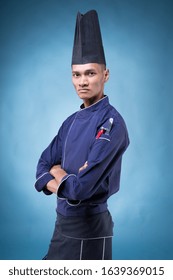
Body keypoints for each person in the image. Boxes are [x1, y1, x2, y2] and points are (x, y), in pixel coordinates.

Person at [35, 10, 129, 260]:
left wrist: (58, 172)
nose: (82, 82)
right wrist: (63, 177)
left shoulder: (111, 123)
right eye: (76, 74)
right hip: (61, 225)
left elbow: (80, 190)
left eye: (90, 73)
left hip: (89, 231)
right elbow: (42, 165)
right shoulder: (70, 123)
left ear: (105, 75)